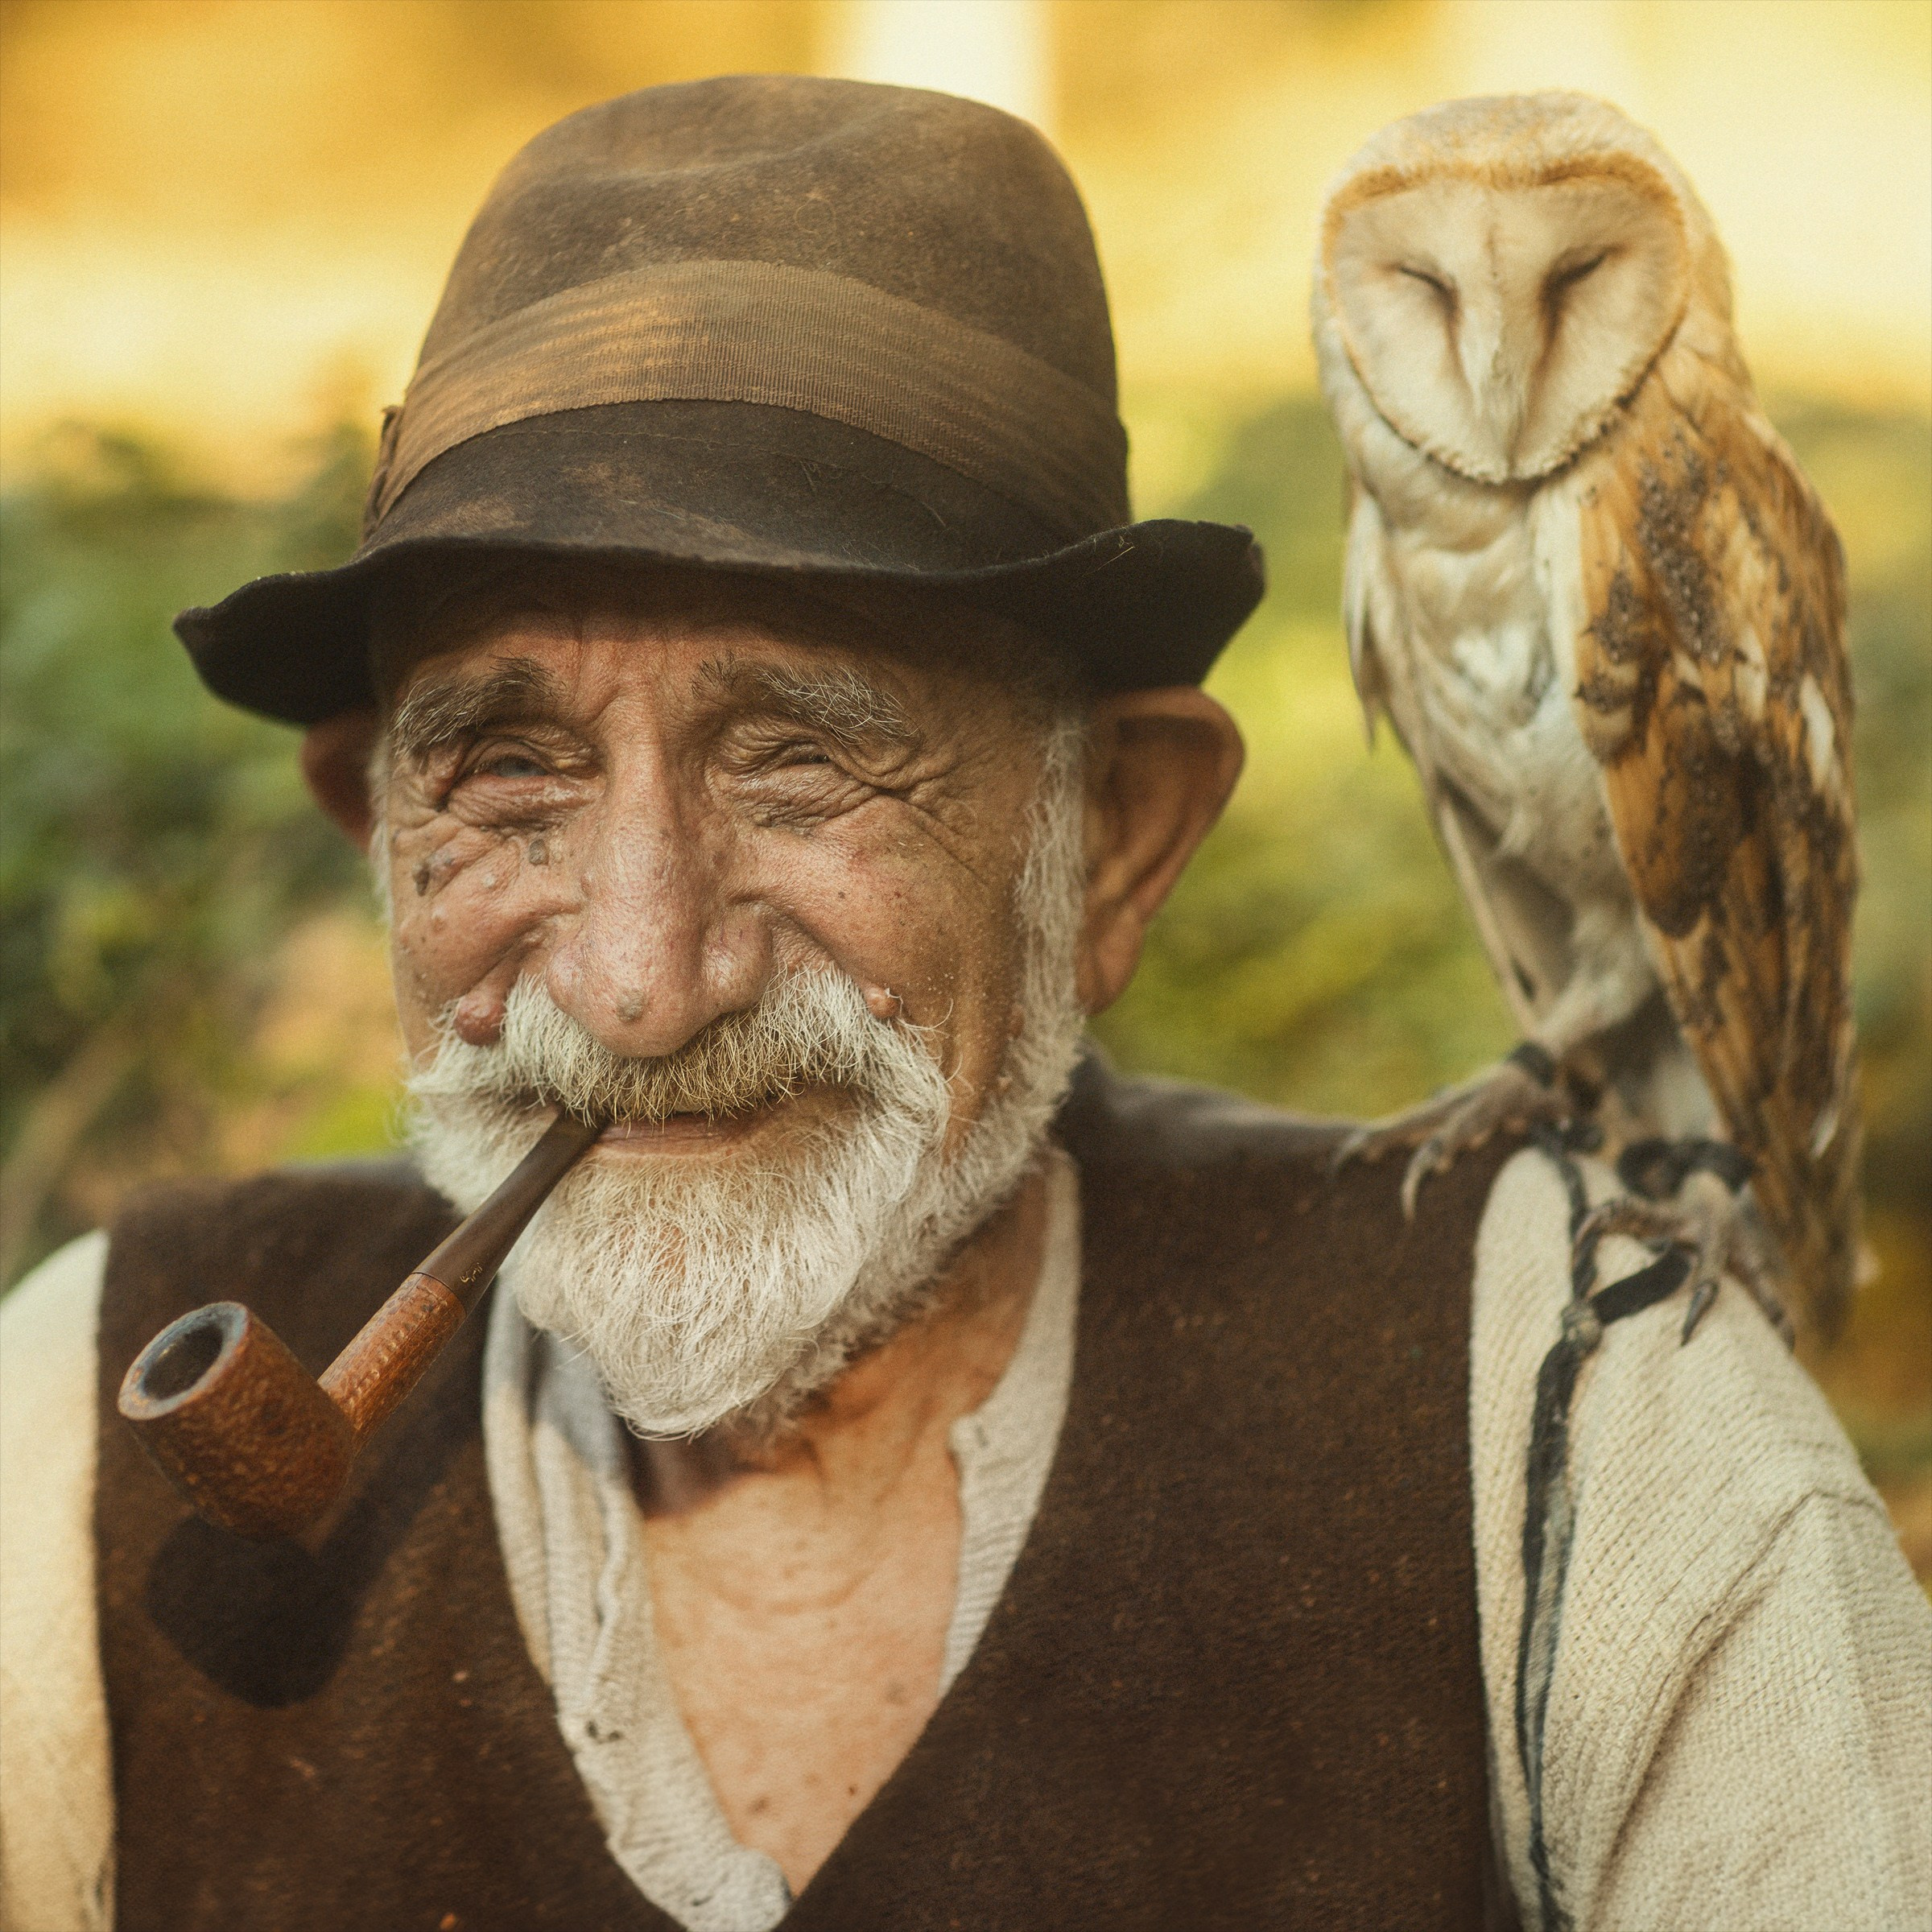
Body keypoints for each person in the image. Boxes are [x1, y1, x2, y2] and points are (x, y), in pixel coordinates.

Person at [1, 76, 1926, 1932]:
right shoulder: (65, 1439)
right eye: (508, 778)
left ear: (1112, 848)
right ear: (377, 834)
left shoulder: (1579, 1413)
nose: (643, 981)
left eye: (801, 764)